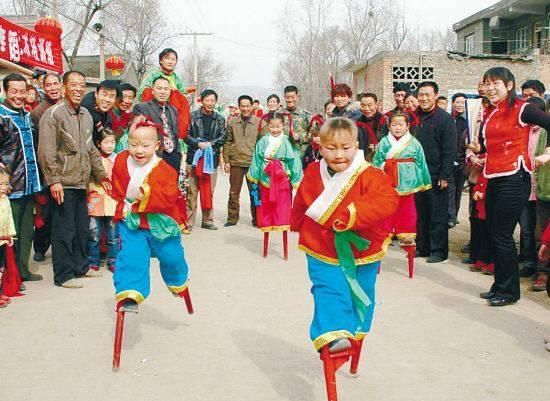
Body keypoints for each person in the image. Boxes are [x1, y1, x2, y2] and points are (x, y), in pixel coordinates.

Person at [290, 117, 399, 352]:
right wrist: (297, 222)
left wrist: (353, 215)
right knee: (328, 287)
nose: (339, 154)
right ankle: (333, 333)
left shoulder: (370, 174)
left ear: (356, 147)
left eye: (346, 148)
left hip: (361, 246)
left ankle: (355, 331)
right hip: (320, 243)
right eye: (331, 148)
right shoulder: (312, 171)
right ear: (320, 147)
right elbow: (302, 200)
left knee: (361, 291)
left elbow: (388, 200)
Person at [474, 67, 550, 306]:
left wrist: (548, 152)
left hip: (515, 178)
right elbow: (490, 146)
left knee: (503, 235)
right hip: (494, 176)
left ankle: (509, 292)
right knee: (494, 233)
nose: (490, 88)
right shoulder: (490, 112)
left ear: (509, 85)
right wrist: (477, 150)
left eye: (496, 83)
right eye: (487, 84)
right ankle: (500, 285)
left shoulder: (523, 108)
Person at [38, 71, 109, 289]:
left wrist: (102, 175)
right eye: (73, 85)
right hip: (63, 182)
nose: (78, 89)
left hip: (81, 181)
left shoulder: (86, 115)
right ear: (63, 87)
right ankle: (64, 274)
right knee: (63, 230)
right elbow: (46, 151)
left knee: (81, 228)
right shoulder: (54, 115)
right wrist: (54, 180)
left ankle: (81, 266)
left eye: (81, 85)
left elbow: (91, 150)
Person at [110, 121, 190, 313]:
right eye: (133, 144)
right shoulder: (121, 161)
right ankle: (130, 293)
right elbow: (116, 187)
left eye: (145, 146)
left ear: (156, 146)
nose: (139, 150)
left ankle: (177, 282)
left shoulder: (165, 169)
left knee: (172, 257)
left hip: (161, 224)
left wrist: (146, 194)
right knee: (131, 256)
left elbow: (169, 196)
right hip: (132, 222)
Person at [0, 73, 44, 283]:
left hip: (29, 183)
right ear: (5, 92)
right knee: (10, 234)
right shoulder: (2, 116)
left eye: (22, 91)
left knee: (27, 231)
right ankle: (10, 277)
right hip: (10, 186)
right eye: (14, 92)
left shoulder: (27, 114)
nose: (18, 96)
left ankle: (23, 271)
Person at [372, 110, 431, 245]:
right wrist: (374, 180)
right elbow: (376, 161)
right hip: (388, 177)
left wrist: (424, 181)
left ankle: (406, 233)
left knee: (407, 206)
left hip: (408, 178)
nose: (397, 128)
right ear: (389, 126)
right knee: (386, 207)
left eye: (400, 124)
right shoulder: (384, 142)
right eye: (394, 125)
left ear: (408, 126)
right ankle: (385, 231)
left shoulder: (414, 142)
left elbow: (421, 162)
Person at [414, 81, 457, 263]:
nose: (424, 98)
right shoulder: (413, 118)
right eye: (421, 95)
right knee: (420, 213)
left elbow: (449, 149)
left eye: (427, 94)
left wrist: (444, 175)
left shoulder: (444, 119)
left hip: (436, 173)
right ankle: (422, 247)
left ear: (435, 96)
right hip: (417, 174)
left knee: (437, 214)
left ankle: (438, 251)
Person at [247, 112, 302, 233]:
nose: (275, 130)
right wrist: (254, 178)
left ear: (283, 125)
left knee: (282, 205)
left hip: (282, 176)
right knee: (266, 204)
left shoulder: (288, 141)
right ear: (268, 126)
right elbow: (257, 159)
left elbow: (295, 160)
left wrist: (295, 179)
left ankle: (282, 223)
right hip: (266, 175)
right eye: (272, 126)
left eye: (278, 126)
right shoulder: (263, 141)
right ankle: (266, 223)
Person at [30, 73, 63, 263]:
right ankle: (40, 247)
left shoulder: (69, 107)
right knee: (46, 211)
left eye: (55, 84)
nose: (52, 88)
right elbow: (37, 145)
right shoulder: (38, 112)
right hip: (47, 168)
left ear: (61, 86)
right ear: (43, 87)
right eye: (48, 85)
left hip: (67, 167)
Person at [185, 89, 227, 231]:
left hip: (211, 159)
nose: (209, 103)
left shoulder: (220, 119)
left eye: (212, 100)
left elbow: (223, 137)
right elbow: (186, 135)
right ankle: (188, 221)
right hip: (194, 159)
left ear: (215, 102)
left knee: (209, 190)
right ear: (202, 100)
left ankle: (207, 220)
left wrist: (210, 144)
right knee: (191, 190)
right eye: (207, 100)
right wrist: (198, 144)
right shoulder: (192, 116)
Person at [223, 95, 261, 227]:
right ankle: (232, 218)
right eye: (242, 106)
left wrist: (261, 163)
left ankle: (257, 219)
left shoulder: (259, 122)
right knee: (234, 192)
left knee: (255, 192)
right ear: (239, 107)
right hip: (236, 162)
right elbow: (227, 141)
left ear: (252, 106)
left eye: (247, 106)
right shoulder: (232, 122)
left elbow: (263, 144)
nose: (245, 108)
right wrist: (226, 160)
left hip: (253, 163)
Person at [138, 48, 191, 137]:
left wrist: (175, 94)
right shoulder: (152, 75)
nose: (170, 62)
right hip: (156, 114)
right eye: (167, 58)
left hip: (172, 115)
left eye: (173, 59)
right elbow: (143, 93)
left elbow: (184, 98)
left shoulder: (177, 78)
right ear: (161, 60)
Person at [133, 76, 182, 171]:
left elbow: (175, 134)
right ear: (152, 90)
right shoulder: (142, 108)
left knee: (172, 185)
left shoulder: (173, 110)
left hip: (173, 157)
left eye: (166, 89)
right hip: (154, 157)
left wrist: (178, 154)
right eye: (159, 88)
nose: (162, 92)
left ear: (170, 91)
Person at [87, 128, 118, 273]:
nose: (110, 145)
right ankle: (93, 260)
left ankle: (113, 260)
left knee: (113, 235)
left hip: (112, 201)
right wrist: (92, 189)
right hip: (96, 200)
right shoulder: (94, 159)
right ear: (99, 143)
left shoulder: (117, 159)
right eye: (106, 142)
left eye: (113, 142)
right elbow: (88, 179)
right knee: (94, 234)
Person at [448, 93, 468, 227]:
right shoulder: (449, 119)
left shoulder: (468, 121)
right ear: (453, 103)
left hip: (462, 160)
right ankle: (450, 215)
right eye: (457, 102)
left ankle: (454, 216)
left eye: (462, 102)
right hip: (450, 159)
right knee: (450, 189)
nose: (460, 105)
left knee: (458, 189)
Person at [81, 80, 119, 144]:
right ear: (96, 94)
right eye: (104, 94)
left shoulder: (109, 116)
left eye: (111, 96)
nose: (107, 99)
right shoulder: (85, 111)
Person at [0, 166, 16, 308]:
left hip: (3, 238)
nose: (4, 187)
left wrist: (10, 233)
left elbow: (10, 217)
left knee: (1, 267)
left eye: (6, 184)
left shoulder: (5, 199)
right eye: (1, 184)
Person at [282, 85, 311, 156]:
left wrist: (300, 136)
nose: (290, 100)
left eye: (292, 97)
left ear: (297, 96)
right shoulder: (279, 115)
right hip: (283, 153)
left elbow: (315, 134)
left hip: (301, 154)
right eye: (288, 97)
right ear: (284, 97)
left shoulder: (306, 115)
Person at [356, 93, 383, 160]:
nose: (366, 108)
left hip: (380, 158)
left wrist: (380, 147)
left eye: (369, 105)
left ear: (376, 105)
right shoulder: (357, 123)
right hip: (362, 159)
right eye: (363, 105)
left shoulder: (385, 121)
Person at [113, 83, 137, 152]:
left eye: (130, 98)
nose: (126, 101)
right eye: (124, 97)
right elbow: (112, 140)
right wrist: (124, 119)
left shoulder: (133, 116)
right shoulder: (109, 114)